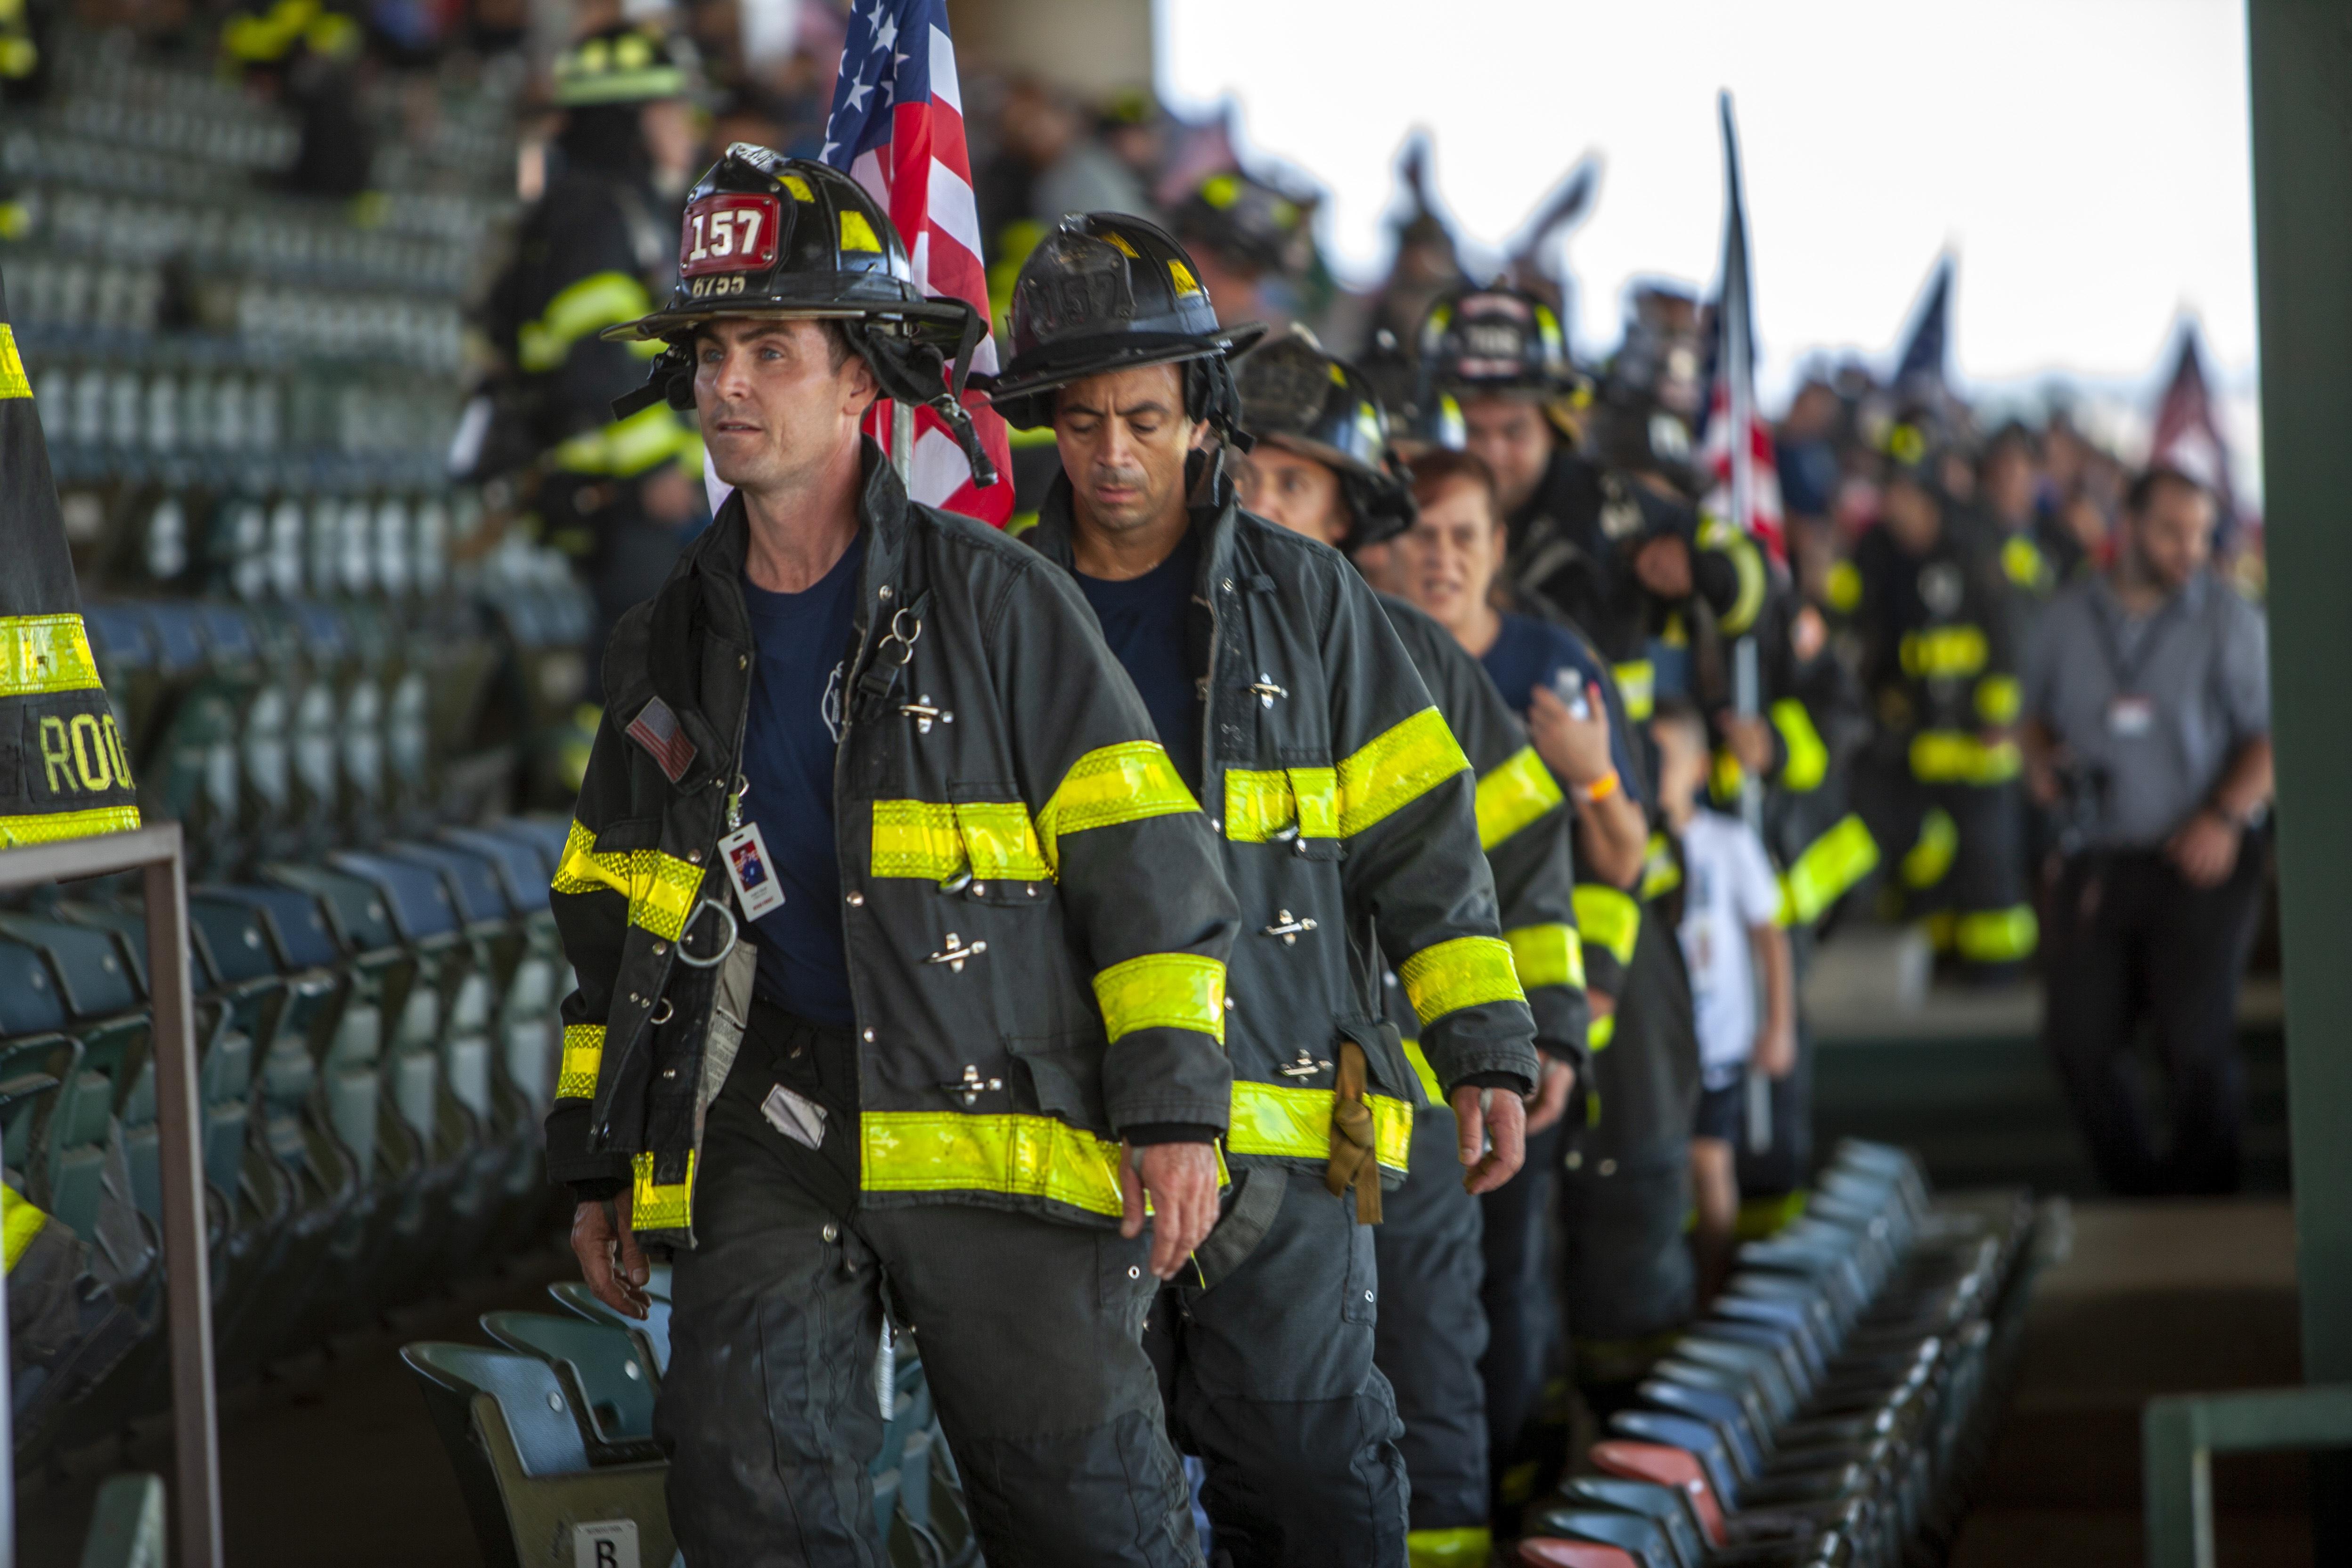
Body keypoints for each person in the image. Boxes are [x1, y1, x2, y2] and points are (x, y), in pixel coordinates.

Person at [552, 149, 1239, 1567]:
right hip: (768, 1124)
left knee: (1087, 1518)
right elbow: (610, 917)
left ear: (864, 380)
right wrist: (595, 1153)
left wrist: (1175, 1111)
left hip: (1000, 1110)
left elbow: (1150, 872)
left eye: (769, 349)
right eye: (710, 351)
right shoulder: (660, 637)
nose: (725, 386)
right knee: (749, 1499)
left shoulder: (1005, 606)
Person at [998, 213, 1541, 1568]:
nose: (1111, 456)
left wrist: (1482, 1048)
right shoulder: (993, 605)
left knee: (1309, 1477)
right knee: (1094, 1513)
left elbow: (1426, 843)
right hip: (1066, 1144)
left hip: (1290, 1134)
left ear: (1203, 420)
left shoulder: (1315, 603)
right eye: (1078, 423)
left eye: (1142, 417)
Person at [1234, 332, 1588, 1564]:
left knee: (1427, 1365)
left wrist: (1538, 1034)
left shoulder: (1417, 660)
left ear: (1345, 509)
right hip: (1218, 1103)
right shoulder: (1152, 651)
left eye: (1294, 484)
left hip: (1396, 1096)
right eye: (1246, 475)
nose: (1262, 505)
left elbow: (1524, 855)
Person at [1389, 444, 1699, 1433]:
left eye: (1463, 536)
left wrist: (1593, 771)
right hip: (1385, 1040)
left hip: (1515, 1025)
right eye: (1421, 533)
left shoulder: (1551, 664)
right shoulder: (1353, 649)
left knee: (1510, 1269)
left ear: (1498, 547)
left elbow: (1623, 857)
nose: (1442, 558)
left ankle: (1513, 1488)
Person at [2024, 466, 2272, 1195]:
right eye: (2170, 530)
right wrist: (2038, 759)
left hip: (2201, 856)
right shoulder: (2066, 616)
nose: (2187, 548)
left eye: (2199, 533)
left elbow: (2271, 737)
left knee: (2195, 1045)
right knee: (2078, 1041)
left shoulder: (2229, 618)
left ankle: (2206, 1200)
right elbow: (2032, 715)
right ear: (2127, 527)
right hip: (2098, 857)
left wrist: (2224, 817)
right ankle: (2138, 1192)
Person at [481, 24, 706, 710]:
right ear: (631, 120)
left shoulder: (625, 207)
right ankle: (598, 807)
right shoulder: (597, 214)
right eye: (671, 109)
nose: (689, 126)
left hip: (626, 484)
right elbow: (598, 359)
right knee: (632, 669)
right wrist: (652, 469)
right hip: (617, 491)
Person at [1836, 414, 2038, 980]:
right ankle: (1941, 959)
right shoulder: (1877, 553)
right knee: (1925, 860)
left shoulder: (1977, 543)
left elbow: (2013, 639)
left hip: (1980, 744)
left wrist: (1999, 715)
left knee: (1987, 863)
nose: (1893, 507)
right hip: (1916, 746)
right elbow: (1858, 628)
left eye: (1903, 493)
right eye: (1888, 492)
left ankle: (1997, 977)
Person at [1649, 699, 1794, 1300]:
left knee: (1711, 1165)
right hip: (1655, 1053)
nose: (1656, 772)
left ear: (1699, 769)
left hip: (1719, 1039)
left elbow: (1771, 938)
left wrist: (1778, 1024)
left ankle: (1714, 1293)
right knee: (1661, 1171)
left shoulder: (1729, 843)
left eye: (1667, 759)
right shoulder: (1630, 845)